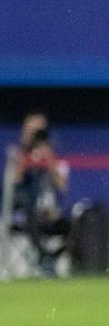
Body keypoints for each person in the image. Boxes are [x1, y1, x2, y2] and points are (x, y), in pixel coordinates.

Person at [9, 112, 70, 277]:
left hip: (50, 213)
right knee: (31, 218)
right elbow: (14, 184)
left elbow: (63, 187)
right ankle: (45, 258)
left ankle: (50, 258)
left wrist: (48, 159)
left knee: (76, 224)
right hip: (27, 214)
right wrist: (26, 152)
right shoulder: (19, 154)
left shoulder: (52, 154)